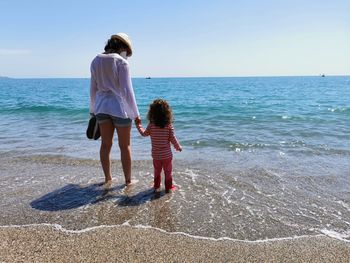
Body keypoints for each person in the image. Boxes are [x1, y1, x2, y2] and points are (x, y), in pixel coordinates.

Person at [89, 33, 140, 185]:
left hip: (101, 107)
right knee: (125, 146)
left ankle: (108, 178)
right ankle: (128, 181)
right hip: (119, 108)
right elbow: (126, 91)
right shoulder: (121, 62)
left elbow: (93, 88)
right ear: (123, 47)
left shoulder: (95, 60)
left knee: (105, 144)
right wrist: (135, 114)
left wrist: (93, 109)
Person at [135, 99, 182, 193]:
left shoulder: (151, 125)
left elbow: (144, 134)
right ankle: (169, 187)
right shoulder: (168, 125)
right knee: (168, 172)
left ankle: (156, 186)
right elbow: (173, 138)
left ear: (152, 113)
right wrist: (178, 147)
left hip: (156, 155)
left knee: (157, 171)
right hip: (167, 155)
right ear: (167, 112)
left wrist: (139, 125)